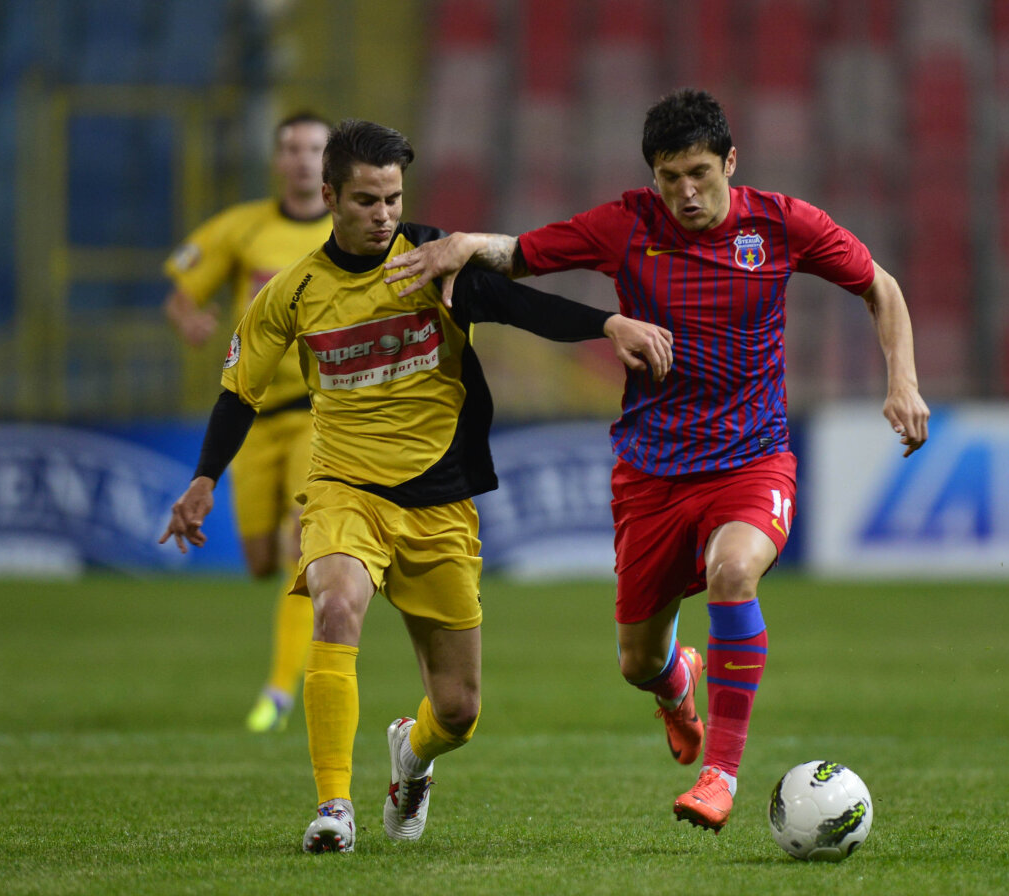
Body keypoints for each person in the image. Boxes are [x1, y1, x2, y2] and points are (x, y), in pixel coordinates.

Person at [383, 87, 930, 833]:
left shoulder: (782, 225)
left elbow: (880, 287)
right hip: (650, 474)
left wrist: (902, 380)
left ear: (731, 161)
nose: (686, 191)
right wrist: (460, 245)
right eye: (669, 177)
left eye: (700, 172)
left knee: (735, 571)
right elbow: (520, 255)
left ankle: (721, 776)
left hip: (751, 460)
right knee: (638, 662)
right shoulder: (626, 225)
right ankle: (679, 682)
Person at [159, 118, 674, 853]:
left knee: (459, 711)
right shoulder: (293, 293)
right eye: (367, 200)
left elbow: (517, 305)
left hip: (438, 501)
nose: (384, 216)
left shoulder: (433, 262)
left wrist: (608, 324)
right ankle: (335, 807)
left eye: (394, 199)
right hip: (346, 489)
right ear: (331, 196)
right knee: (334, 605)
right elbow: (239, 392)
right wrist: (205, 478)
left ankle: (412, 756)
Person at [162, 112, 331, 733]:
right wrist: (189, 320)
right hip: (251, 419)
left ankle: (279, 693)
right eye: (291, 147)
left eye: (315, 147)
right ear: (276, 159)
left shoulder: (348, 231)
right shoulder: (244, 227)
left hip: (319, 416)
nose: (303, 159)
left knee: (299, 549)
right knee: (260, 559)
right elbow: (183, 288)